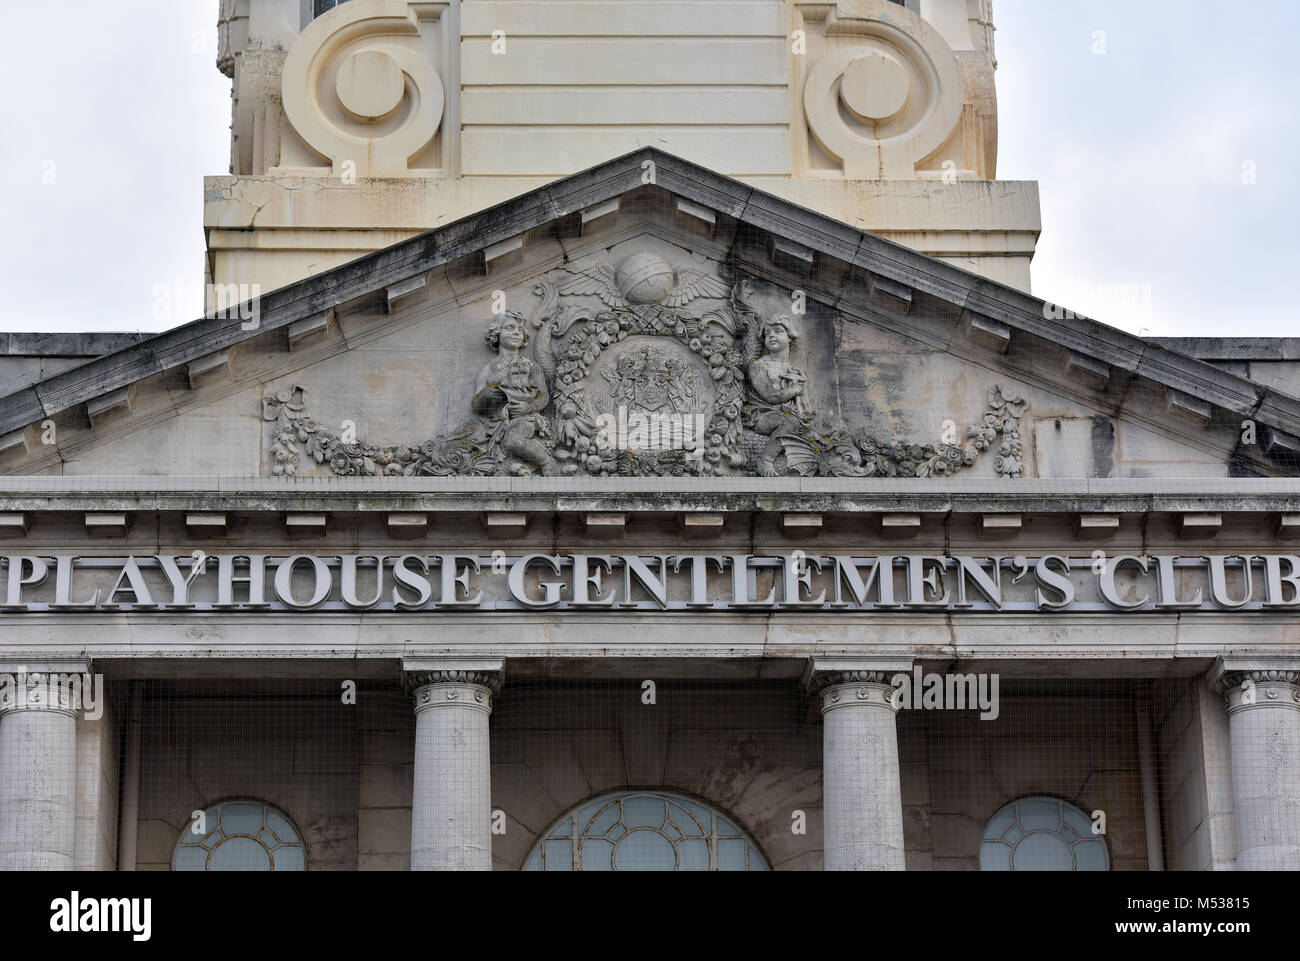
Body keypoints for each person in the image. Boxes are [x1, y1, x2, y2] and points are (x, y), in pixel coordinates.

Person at [472, 312, 558, 475]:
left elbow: (543, 396)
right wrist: (487, 394)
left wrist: (526, 408)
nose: (517, 332)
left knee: (513, 440)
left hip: (526, 418)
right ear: (496, 333)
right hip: (496, 423)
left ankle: (547, 462)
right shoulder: (489, 369)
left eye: (520, 329)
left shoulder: (532, 367)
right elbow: (476, 404)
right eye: (509, 328)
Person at [745, 315, 811, 476]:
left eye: (778, 331)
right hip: (762, 414)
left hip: (785, 413)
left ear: (790, 337)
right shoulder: (758, 366)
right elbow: (770, 396)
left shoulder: (796, 372)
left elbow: (806, 405)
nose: (772, 335)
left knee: (798, 423)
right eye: (767, 333)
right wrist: (795, 390)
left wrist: (805, 415)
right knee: (790, 422)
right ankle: (765, 460)